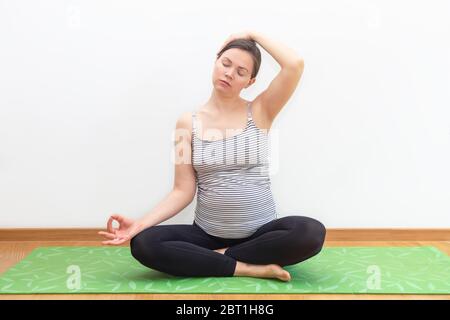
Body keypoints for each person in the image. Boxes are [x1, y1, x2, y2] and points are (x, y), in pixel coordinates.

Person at [99, 31, 326, 282]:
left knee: (310, 232)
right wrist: (139, 225)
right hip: (207, 235)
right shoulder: (188, 122)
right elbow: (182, 190)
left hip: (261, 235)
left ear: (250, 82)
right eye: (225, 63)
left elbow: (294, 65)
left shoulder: (261, 110)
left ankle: (215, 258)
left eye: (240, 72)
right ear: (216, 62)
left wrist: (253, 34)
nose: (229, 73)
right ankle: (248, 267)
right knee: (143, 243)